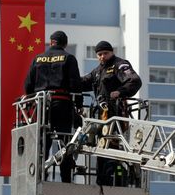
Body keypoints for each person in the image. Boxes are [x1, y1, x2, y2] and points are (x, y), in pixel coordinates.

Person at [80, 41, 142, 186]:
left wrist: (120, 92)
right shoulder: (97, 71)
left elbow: (135, 81)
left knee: (112, 146)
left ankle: (111, 181)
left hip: (116, 113)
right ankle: (102, 181)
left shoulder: (120, 65)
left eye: (105, 53)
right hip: (102, 115)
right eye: (99, 54)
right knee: (102, 147)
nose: (102, 57)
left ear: (111, 52)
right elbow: (82, 82)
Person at [24, 30, 82, 183]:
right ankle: (66, 178)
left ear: (51, 42)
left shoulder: (37, 59)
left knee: (43, 140)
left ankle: (40, 175)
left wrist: (31, 101)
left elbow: (28, 84)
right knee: (65, 141)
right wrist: (79, 105)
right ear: (65, 44)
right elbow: (75, 84)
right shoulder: (69, 58)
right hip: (62, 103)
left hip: (41, 105)